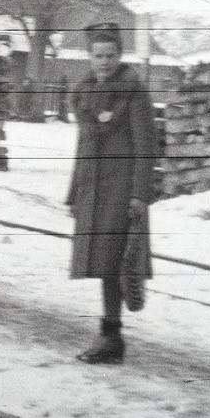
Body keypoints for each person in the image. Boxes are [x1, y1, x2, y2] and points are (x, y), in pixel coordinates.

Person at [65, 22, 157, 364]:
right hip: (92, 188)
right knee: (102, 265)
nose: (104, 61)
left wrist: (139, 195)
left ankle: (111, 337)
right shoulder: (84, 92)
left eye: (110, 55)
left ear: (120, 55)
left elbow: (146, 145)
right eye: (97, 55)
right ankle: (110, 337)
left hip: (120, 191)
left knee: (113, 264)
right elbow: (83, 146)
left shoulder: (133, 90)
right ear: (89, 57)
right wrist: (74, 192)